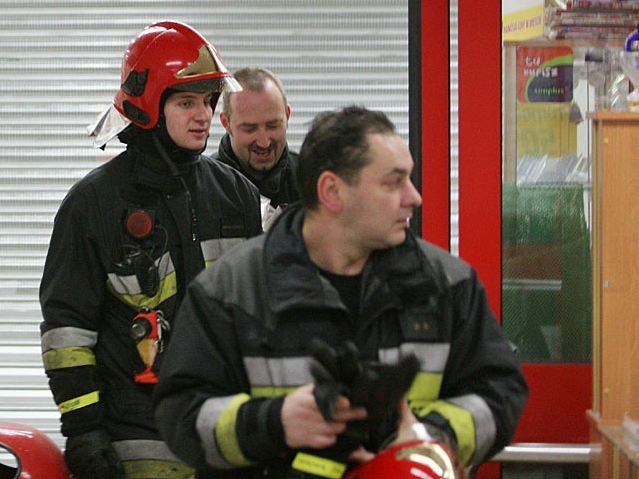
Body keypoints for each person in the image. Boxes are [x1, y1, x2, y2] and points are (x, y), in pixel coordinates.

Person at [153, 105, 528, 478]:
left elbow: (501, 394)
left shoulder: (448, 286)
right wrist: (275, 422)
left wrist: (427, 436)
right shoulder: (232, 290)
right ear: (332, 191)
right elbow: (181, 415)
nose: (414, 197)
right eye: (393, 182)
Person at [40, 20, 263, 479]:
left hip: (222, 436)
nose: (203, 116)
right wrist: (83, 429)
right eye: (186, 102)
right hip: (135, 437)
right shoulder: (93, 204)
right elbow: (67, 332)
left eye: (208, 101)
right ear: (147, 107)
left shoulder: (236, 194)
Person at [213, 67, 299, 229]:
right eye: (250, 129)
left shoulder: (311, 182)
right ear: (226, 123)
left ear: (287, 116)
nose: (264, 142)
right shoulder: (202, 189)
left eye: (273, 126)